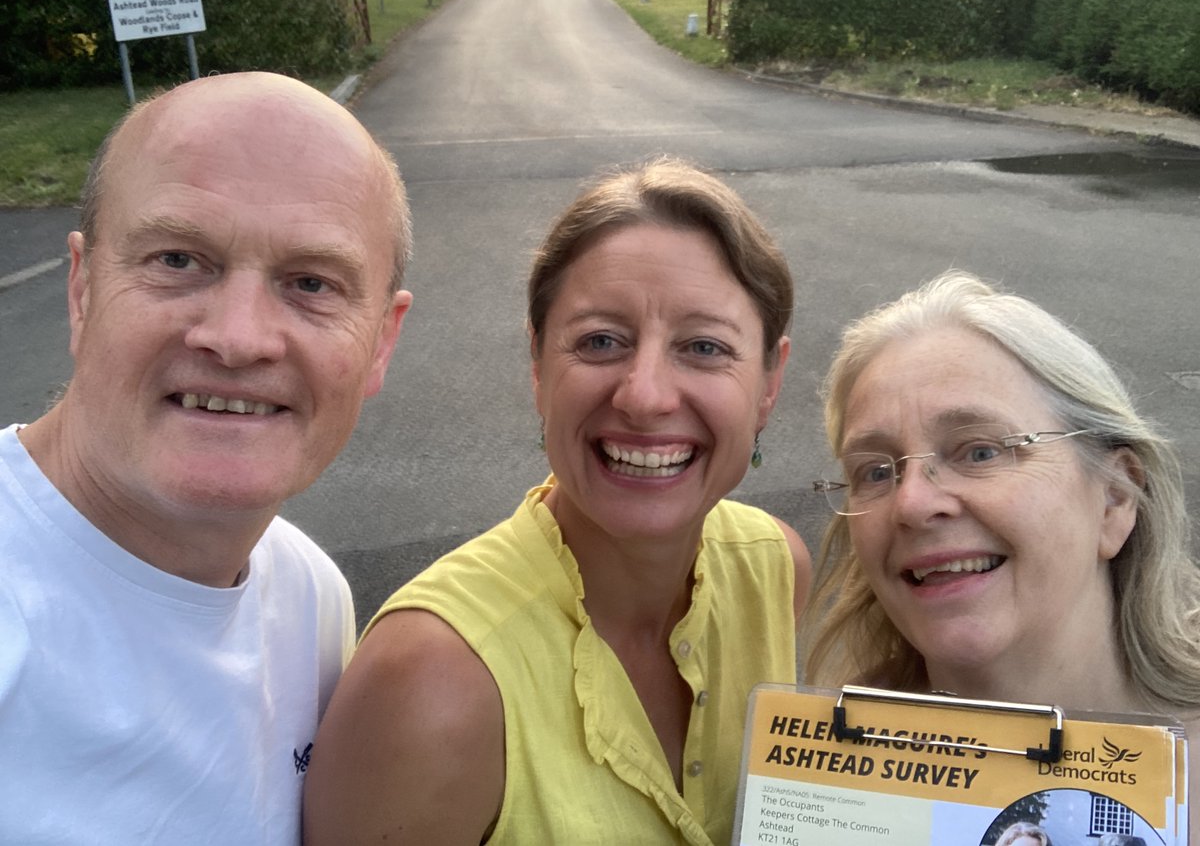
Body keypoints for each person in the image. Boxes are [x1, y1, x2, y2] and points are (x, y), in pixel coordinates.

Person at [303, 157, 811, 845]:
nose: (646, 394)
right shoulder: (433, 682)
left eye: (703, 346)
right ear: (539, 367)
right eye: (601, 341)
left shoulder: (775, 569)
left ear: (769, 384)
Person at [0, 72, 413, 843]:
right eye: (179, 260)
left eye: (312, 283)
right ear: (82, 290)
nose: (238, 337)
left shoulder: (313, 598)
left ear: (381, 341)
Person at [804, 270, 1200, 833]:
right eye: (876, 470)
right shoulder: (826, 787)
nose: (912, 503)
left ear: (1114, 499)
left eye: (982, 451)